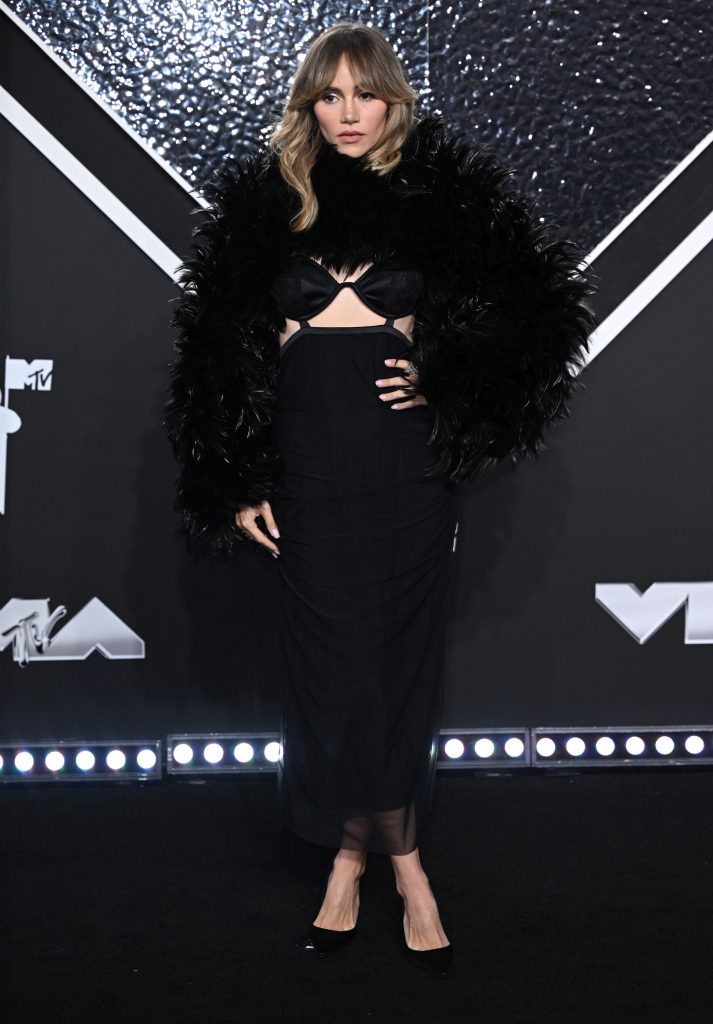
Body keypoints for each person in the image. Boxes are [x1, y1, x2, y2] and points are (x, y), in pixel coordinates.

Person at [163, 23, 595, 978]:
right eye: (329, 95)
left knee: (396, 675)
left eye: (365, 93)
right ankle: (388, 865)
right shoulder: (267, 209)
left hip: (406, 479)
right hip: (308, 483)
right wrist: (234, 479)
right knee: (332, 680)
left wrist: (451, 384)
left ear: (393, 100)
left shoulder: (445, 200)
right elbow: (212, 360)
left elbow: (539, 320)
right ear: (309, 106)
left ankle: (371, 869)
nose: (347, 113)